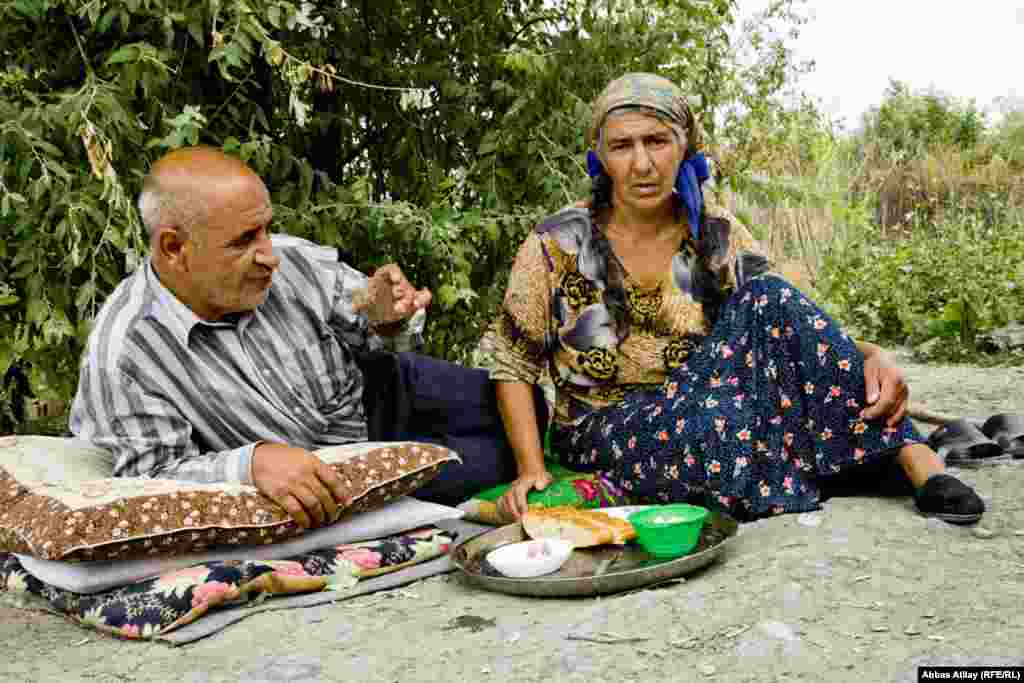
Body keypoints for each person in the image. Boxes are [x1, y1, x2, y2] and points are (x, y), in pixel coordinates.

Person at [486, 72, 984, 525]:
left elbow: (788, 323)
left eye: (657, 141)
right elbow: (513, 361)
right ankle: (841, 460)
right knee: (722, 433)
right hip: (607, 428)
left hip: (711, 392)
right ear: (601, 158)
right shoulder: (556, 243)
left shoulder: (717, 231)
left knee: (766, 295)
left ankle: (918, 462)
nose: (641, 163)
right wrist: (531, 468)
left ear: (684, 148)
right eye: (622, 146)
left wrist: (875, 357)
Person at [70, 146, 546, 529]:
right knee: (493, 465)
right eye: (243, 241)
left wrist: (387, 320)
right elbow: (150, 476)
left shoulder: (291, 260)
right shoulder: (125, 351)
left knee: (534, 416)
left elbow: (375, 332)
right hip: (330, 465)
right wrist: (250, 463)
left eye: (266, 229)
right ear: (174, 248)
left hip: (379, 387)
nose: (269, 255)